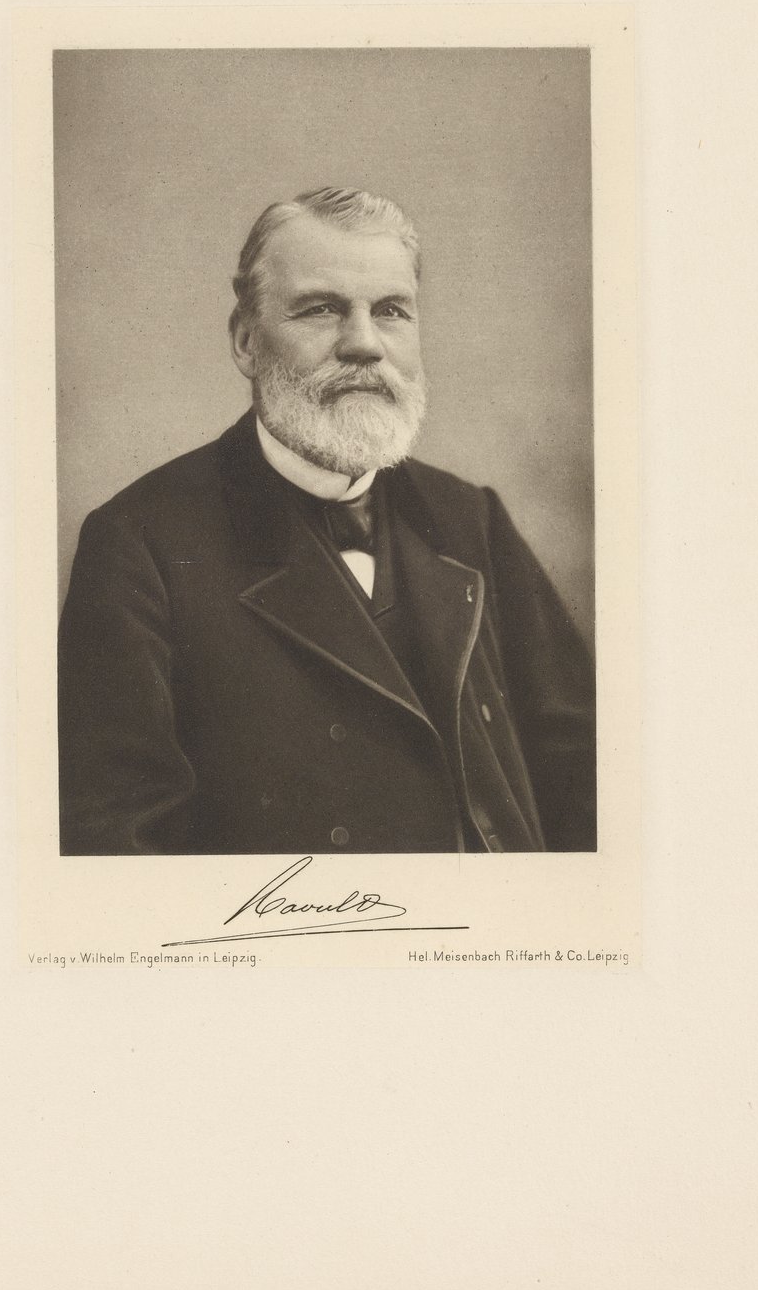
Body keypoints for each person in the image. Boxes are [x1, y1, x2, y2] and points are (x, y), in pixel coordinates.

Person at [58, 187, 595, 855]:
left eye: (391, 311)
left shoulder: (469, 518)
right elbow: (117, 848)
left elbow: (583, 777)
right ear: (246, 341)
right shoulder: (139, 545)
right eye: (321, 309)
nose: (364, 344)